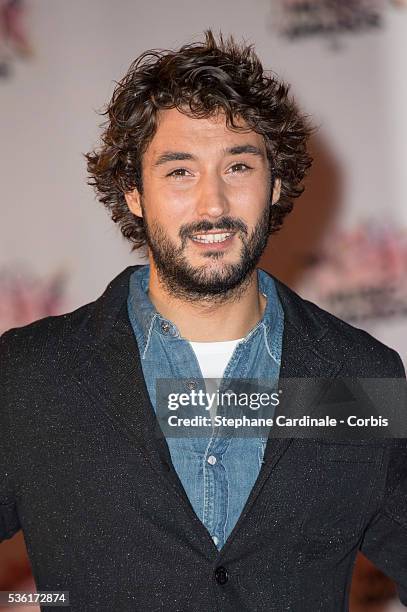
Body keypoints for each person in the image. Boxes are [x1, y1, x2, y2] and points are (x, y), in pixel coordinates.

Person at [1, 29, 406, 612]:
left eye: (238, 166)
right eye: (180, 172)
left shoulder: (360, 377)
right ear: (133, 191)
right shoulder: (32, 375)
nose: (213, 205)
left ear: (276, 182)